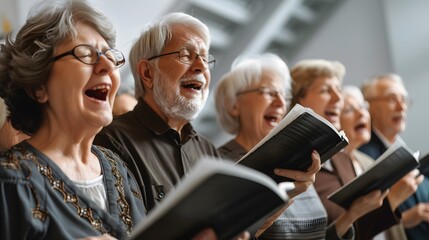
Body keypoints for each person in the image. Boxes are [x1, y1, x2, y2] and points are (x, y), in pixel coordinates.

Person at [0, 0, 146, 239]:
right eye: (86, 54)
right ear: (39, 87)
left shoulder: (118, 167)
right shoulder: (10, 182)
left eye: (110, 55)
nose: (107, 65)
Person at [290, 59, 404, 239]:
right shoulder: (291, 165)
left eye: (338, 90)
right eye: (326, 90)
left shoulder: (342, 157)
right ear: (299, 99)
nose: (338, 98)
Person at [215, 53, 325, 239]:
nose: (281, 103)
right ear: (233, 105)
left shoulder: (295, 160)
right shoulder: (222, 167)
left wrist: (349, 219)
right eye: (268, 92)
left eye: (283, 95)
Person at [339, 85, 423, 239]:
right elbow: (348, 227)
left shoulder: (366, 161)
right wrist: (395, 200)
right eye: (350, 109)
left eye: (363, 107)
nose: (362, 113)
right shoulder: (335, 165)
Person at [358, 74, 429, 239]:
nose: (401, 106)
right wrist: (402, 220)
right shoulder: (363, 157)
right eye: (391, 99)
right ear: (368, 106)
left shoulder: (405, 152)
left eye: (404, 99)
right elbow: (359, 224)